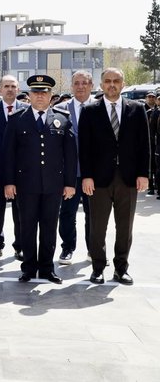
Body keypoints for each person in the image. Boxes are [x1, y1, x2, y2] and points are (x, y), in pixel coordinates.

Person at [79, 68, 150, 285]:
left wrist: (143, 174)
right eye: (108, 81)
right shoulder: (90, 111)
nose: (112, 84)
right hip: (99, 179)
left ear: (123, 83)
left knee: (125, 226)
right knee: (98, 226)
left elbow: (143, 146)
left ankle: (121, 268)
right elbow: (85, 148)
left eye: (116, 81)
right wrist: (86, 176)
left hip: (127, 178)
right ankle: (98, 268)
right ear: (101, 85)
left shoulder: (137, 110)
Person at [3, 75, 76, 284]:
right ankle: (28, 267)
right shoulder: (17, 119)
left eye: (44, 92)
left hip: (53, 185)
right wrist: (9, 182)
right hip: (26, 185)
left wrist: (70, 183)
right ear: (29, 95)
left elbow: (70, 154)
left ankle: (47, 268)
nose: (40, 96)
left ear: (51, 95)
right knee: (27, 227)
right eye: (36, 92)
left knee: (49, 227)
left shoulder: (62, 117)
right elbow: (8, 154)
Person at [52, 70, 96, 265]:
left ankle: (94, 249)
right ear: (71, 86)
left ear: (91, 85)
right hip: (68, 173)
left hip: (94, 174)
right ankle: (67, 248)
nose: (80, 86)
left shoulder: (99, 107)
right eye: (77, 83)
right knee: (67, 213)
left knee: (94, 213)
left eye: (84, 83)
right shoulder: (60, 109)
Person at [0, 75, 28, 261]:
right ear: (0, 89)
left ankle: (20, 246)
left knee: (20, 211)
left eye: (13, 86)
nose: (10, 89)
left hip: (20, 171)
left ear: (18, 89)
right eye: (6, 86)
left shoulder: (27, 111)